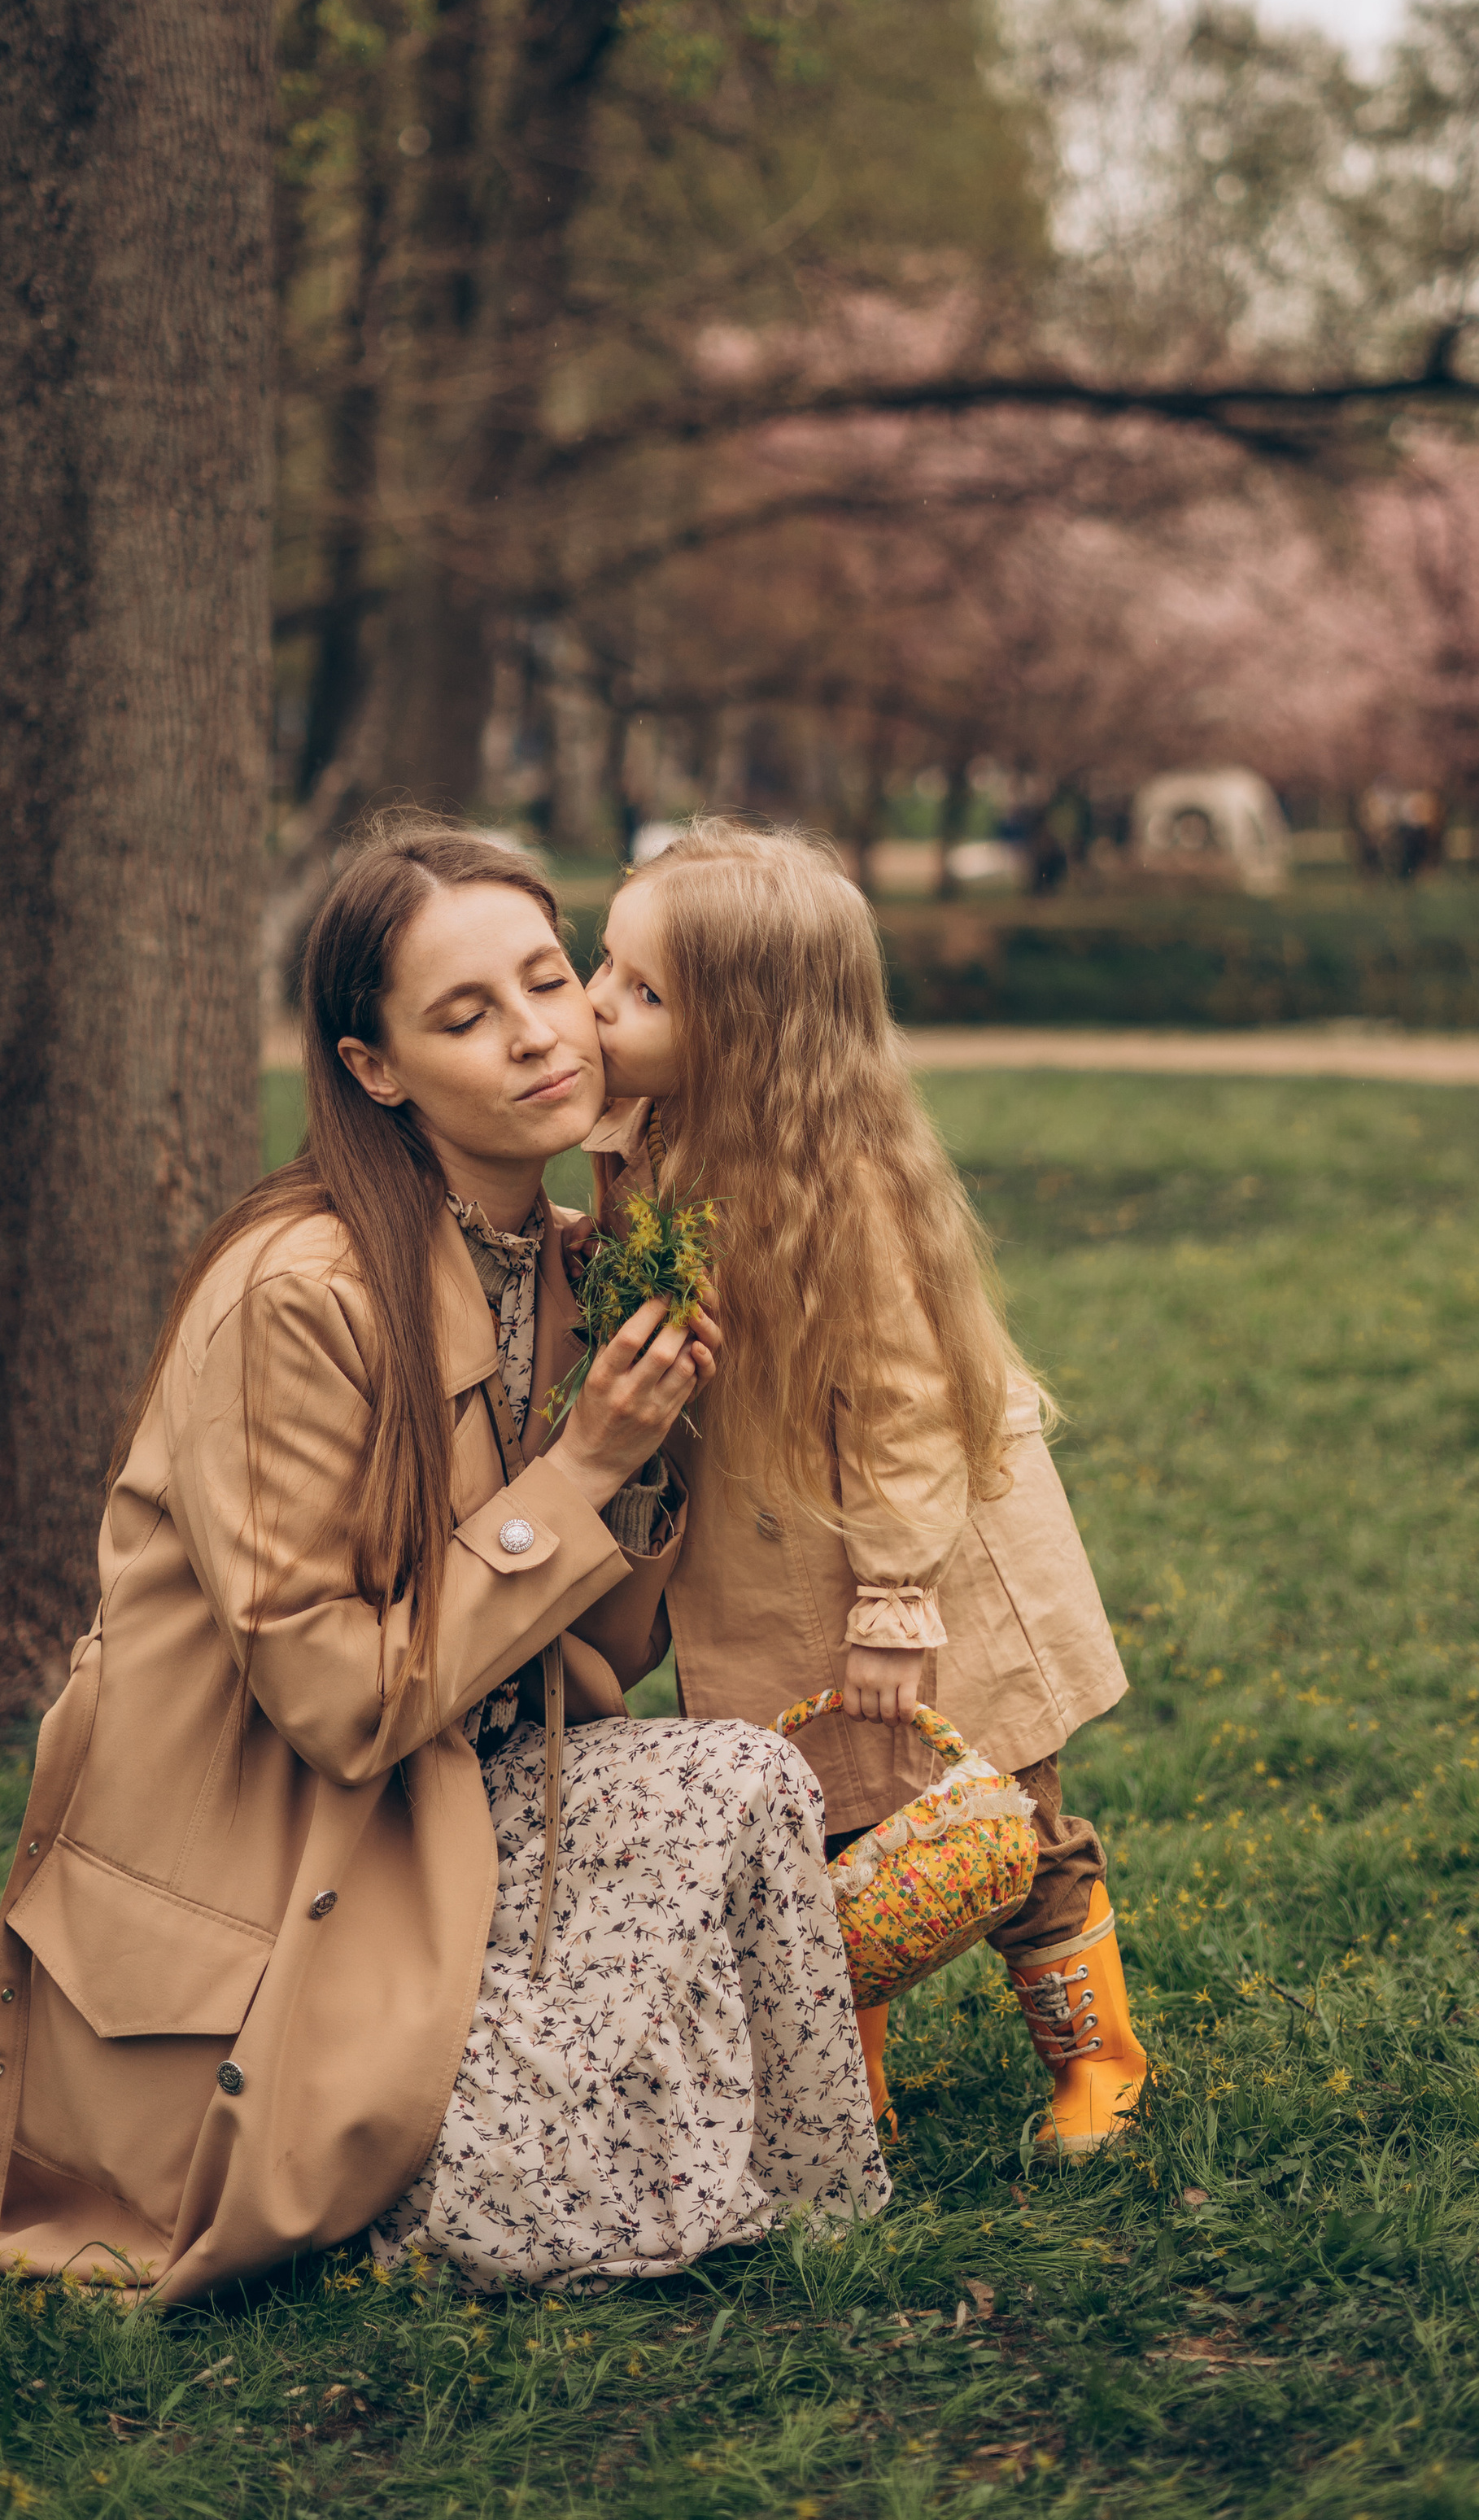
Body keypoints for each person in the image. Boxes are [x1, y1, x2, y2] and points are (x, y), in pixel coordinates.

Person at [0, 824, 884, 2301]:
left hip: (466, 1797)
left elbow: (606, 1654)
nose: (535, 1036)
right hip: (293, 1866)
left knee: (743, 1777)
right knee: (546, 2212)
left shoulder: (574, 1260)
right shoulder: (298, 1296)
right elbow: (333, 1702)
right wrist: (578, 1466)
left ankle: (783, 2173)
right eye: (464, 1016)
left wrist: (644, 1455)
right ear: (375, 1069)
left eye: (547, 978)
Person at [581, 819, 1148, 2155]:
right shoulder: (650, 1137)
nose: (598, 1004)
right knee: (813, 1828)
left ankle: (1098, 2057)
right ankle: (849, 2085)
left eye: (642, 992)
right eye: (602, 964)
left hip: (916, 1552)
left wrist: (896, 1598)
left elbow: (906, 1411)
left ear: (749, 1032)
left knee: (1013, 1817)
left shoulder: (841, 1194)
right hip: (769, 1554)